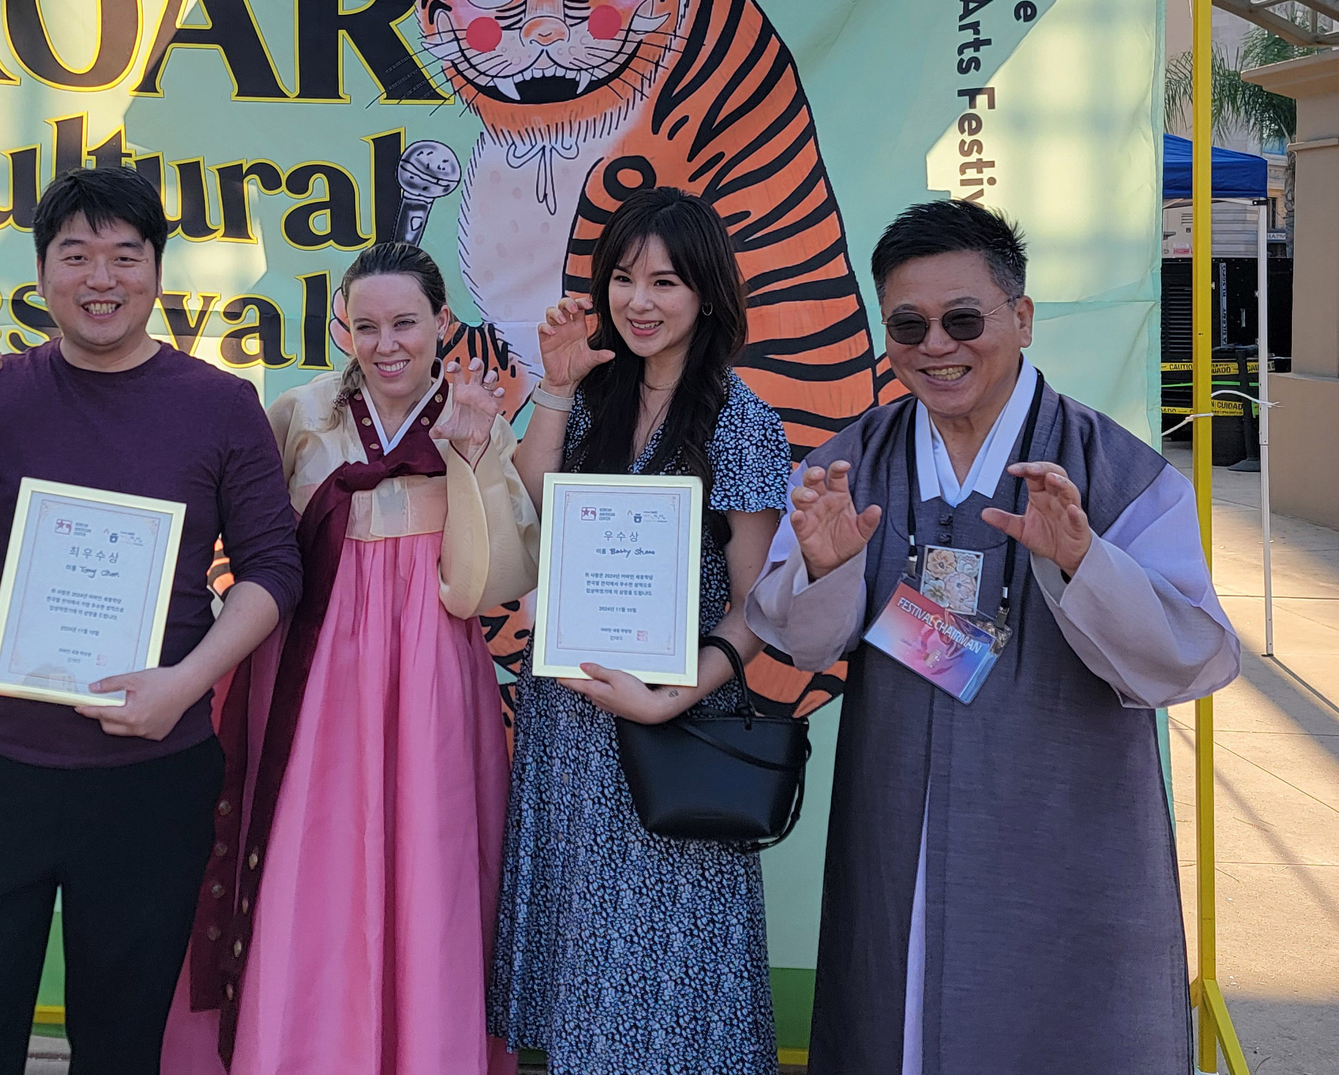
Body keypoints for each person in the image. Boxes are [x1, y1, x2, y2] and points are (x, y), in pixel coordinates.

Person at [745, 198, 1240, 1075]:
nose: (938, 345)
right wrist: (822, 569)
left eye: (963, 318)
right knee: (892, 1013)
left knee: (1062, 1023)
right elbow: (801, 641)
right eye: (909, 325)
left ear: (1022, 317)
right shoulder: (851, 463)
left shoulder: (1110, 469)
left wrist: (1086, 560)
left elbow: (1193, 653)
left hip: (1063, 823)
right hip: (898, 818)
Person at [0, 165, 303, 1075]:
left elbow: (275, 569)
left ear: (157, 271)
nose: (101, 278)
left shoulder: (219, 405)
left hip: (153, 774)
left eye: (125, 255)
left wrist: (184, 685)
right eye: (76, 255)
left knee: (121, 1044)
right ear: (43, 275)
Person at [164, 242, 539, 1074]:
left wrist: (472, 454)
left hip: (433, 673)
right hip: (310, 672)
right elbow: (232, 524)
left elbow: (488, 585)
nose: (386, 342)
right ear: (343, 326)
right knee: (308, 860)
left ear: (443, 323)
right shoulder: (302, 413)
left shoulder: (476, 414)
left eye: (405, 321)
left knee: (427, 864)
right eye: (365, 324)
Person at [490, 188, 792, 1074]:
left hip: (673, 727)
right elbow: (527, 505)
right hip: (571, 723)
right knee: (578, 969)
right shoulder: (589, 402)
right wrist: (552, 384)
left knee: (672, 980)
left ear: (707, 292)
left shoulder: (740, 421)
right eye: (623, 278)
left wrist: (671, 695)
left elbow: (760, 605)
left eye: (665, 280)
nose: (640, 301)